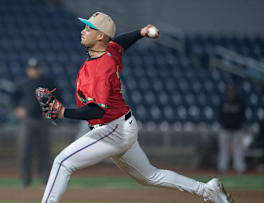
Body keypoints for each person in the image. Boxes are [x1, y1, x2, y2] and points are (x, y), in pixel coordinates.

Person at [39, 12, 234, 203]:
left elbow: (97, 111)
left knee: (63, 162)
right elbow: (121, 42)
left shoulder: (100, 67)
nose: (83, 31)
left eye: (88, 28)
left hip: (111, 128)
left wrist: (64, 112)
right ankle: (208, 190)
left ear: (100, 36)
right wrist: (141, 32)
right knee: (150, 176)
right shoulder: (108, 50)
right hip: (122, 125)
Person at [12, 58, 59, 187]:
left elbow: (58, 98)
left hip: (43, 121)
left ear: (40, 69)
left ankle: (44, 178)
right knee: (25, 150)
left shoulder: (48, 83)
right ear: (28, 70)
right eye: (32, 69)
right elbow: (13, 98)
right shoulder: (22, 83)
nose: (34, 71)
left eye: (36, 68)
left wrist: (51, 111)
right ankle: (25, 179)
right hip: (27, 121)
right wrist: (17, 109)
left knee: (44, 150)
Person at [218, 83, 246, 174]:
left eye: (232, 90)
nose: (231, 92)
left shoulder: (239, 102)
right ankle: (223, 168)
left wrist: (239, 124)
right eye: (229, 90)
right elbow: (220, 115)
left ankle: (240, 168)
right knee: (224, 149)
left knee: (238, 150)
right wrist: (223, 124)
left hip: (237, 129)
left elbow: (242, 115)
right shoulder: (223, 101)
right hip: (225, 129)